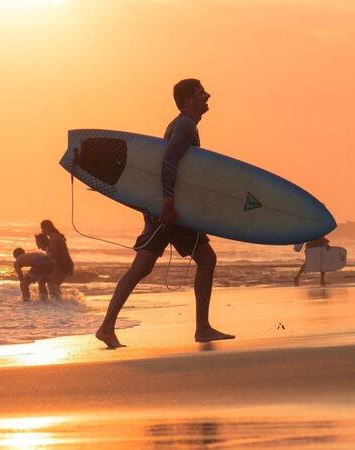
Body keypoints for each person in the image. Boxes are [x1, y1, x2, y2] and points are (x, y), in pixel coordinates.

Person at [95, 78, 234, 349]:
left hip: (161, 209)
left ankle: (106, 326)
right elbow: (169, 161)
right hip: (172, 212)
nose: (208, 95)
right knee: (206, 259)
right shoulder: (184, 125)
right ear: (188, 100)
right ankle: (202, 328)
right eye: (200, 92)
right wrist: (169, 202)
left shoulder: (180, 124)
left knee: (142, 267)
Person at [39, 220, 73, 299]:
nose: (42, 231)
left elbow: (53, 252)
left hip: (63, 263)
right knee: (54, 285)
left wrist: (48, 254)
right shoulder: (56, 235)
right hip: (66, 263)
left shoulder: (53, 236)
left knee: (51, 285)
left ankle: (56, 304)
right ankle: (59, 304)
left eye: (42, 228)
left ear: (47, 228)